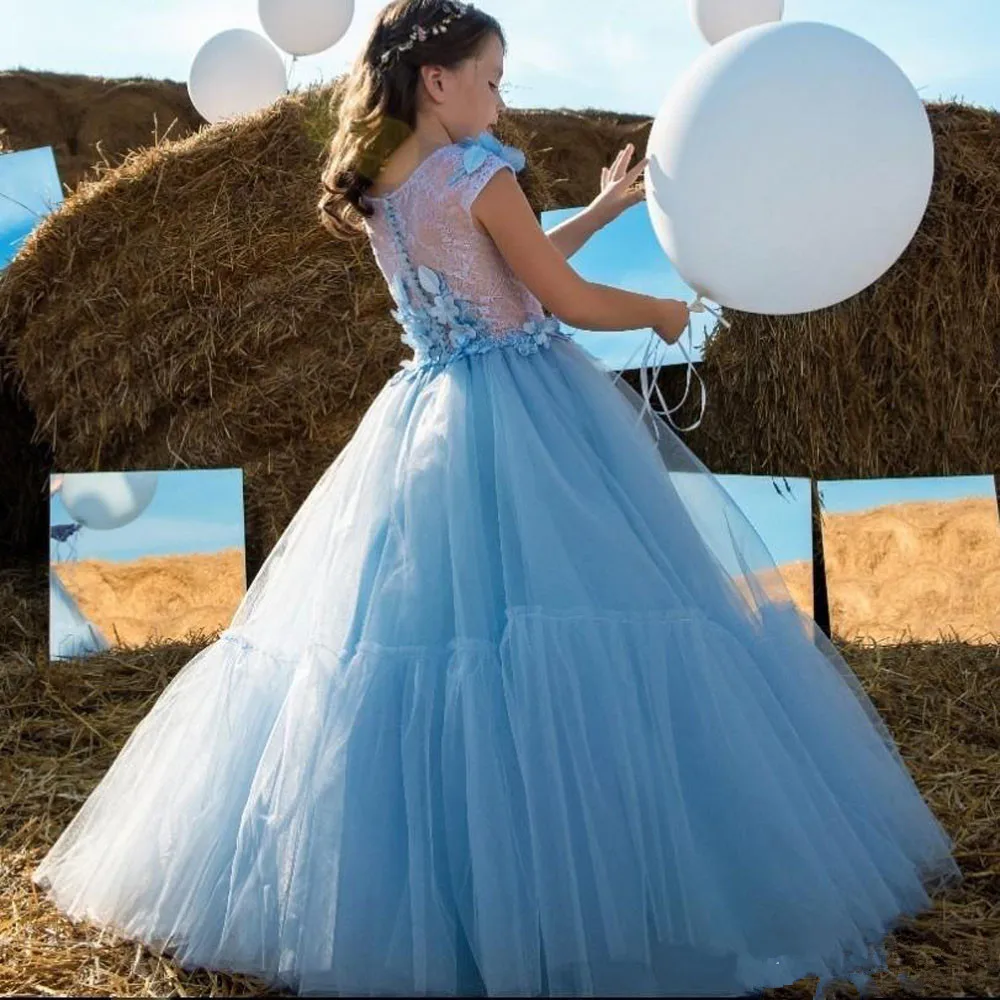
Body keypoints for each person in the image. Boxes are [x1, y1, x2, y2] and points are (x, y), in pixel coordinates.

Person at [32, 1, 961, 997]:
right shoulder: (482, 172)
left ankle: (442, 896)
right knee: (593, 618)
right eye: (492, 75)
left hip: (426, 417)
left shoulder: (385, 180)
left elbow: (508, 261)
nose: (501, 95)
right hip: (528, 408)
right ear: (437, 80)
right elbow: (554, 296)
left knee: (416, 640)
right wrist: (655, 307)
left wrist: (604, 207)